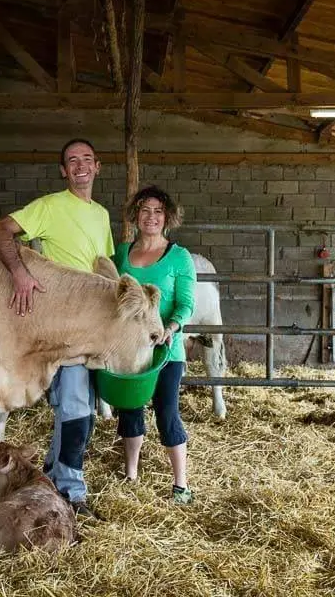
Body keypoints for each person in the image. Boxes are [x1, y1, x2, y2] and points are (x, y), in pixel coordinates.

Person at [0, 139, 114, 520]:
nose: (80, 166)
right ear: (63, 170)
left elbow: (102, 267)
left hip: (91, 327)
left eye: (87, 159)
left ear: (97, 167)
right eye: (72, 160)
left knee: (81, 408)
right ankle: (71, 493)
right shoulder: (50, 205)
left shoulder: (102, 215)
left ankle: (50, 478)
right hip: (60, 329)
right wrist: (19, 273)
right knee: (75, 405)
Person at [112, 185, 196, 504]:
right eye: (145, 210)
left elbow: (185, 304)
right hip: (130, 350)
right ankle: (131, 475)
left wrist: (171, 327)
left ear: (168, 217)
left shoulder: (179, 257)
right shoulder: (122, 254)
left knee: (166, 412)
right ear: (136, 215)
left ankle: (180, 485)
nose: (151, 217)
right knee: (130, 410)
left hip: (165, 351)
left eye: (158, 211)